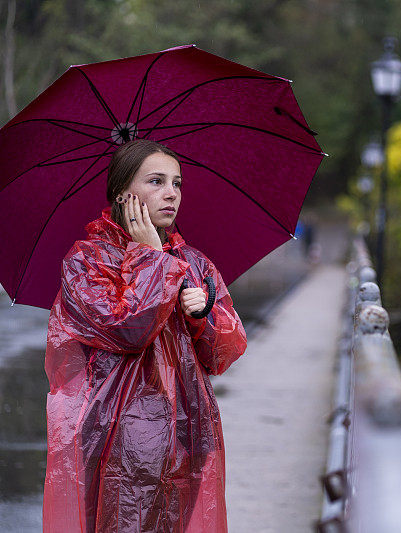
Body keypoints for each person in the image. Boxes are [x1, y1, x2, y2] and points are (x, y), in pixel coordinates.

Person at [42, 139, 248, 532]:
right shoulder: (87, 261)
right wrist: (152, 258)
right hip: (114, 434)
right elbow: (128, 330)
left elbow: (225, 350)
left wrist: (201, 316)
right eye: (156, 181)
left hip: (187, 430)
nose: (171, 193)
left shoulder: (193, 262)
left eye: (177, 183)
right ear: (123, 194)